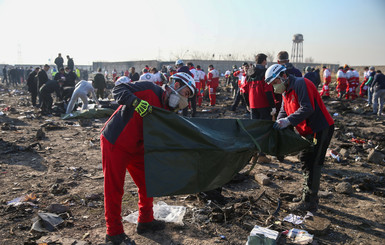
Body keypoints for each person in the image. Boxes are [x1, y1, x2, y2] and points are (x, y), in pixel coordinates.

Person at [100, 72, 195, 244]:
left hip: (137, 146)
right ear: (176, 86)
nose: (185, 100)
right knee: (114, 188)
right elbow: (118, 89)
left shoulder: (169, 110)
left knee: (147, 182)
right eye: (186, 93)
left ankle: (145, 220)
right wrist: (136, 102)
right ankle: (113, 233)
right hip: (116, 141)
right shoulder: (150, 89)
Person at [265, 64, 334, 212]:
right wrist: (278, 122)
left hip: (319, 128)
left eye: (275, 83)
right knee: (304, 159)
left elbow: (307, 108)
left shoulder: (301, 84)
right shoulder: (285, 91)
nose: (274, 87)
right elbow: (284, 110)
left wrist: (288, 121)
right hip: (306, 130)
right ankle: (307, 195)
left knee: (313, 163)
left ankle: (310, 201)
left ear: (283, 76)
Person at [247, 53, 276, 164]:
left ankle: (253, 155)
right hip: (264, 105)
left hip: (253, 105)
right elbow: (268, 91)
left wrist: (247, 104)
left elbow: (244, 90)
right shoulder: (266, 73)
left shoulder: (249, 73)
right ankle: (262, 155)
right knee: (264, 130)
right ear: (264, 61)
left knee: (254, 130)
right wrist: (272, 106)